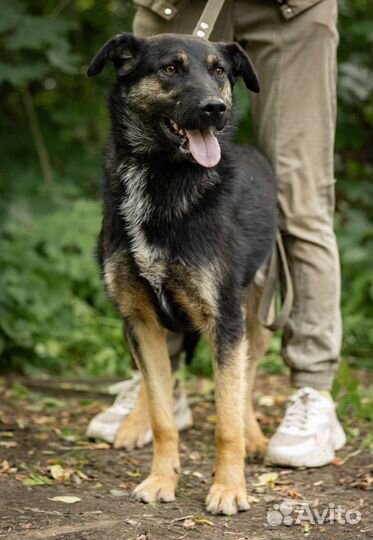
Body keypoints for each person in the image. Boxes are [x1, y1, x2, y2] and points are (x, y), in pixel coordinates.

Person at [87, 0, 346, 467]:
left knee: (299, 192)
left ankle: (313, 389)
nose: (211, 94)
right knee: (152, 145)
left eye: (219, 80)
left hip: (295, 9)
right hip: (178, 1)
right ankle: (158, 392)